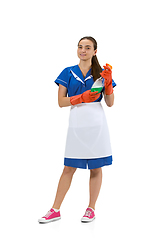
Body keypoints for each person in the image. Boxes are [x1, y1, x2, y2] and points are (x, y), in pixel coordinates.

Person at [38, 36, 116, 224]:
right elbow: (60, 102)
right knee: (68, 167)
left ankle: (91, 208)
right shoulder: (67, 72)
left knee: (96, 167)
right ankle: (55, 209)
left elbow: (110, 103)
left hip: (97, 125)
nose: (83, 50)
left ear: (94, 51)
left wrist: (108, 84)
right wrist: (82, 97)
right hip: (76, 125)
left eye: (87, 47)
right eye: (80, 47)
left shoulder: (100, 73)